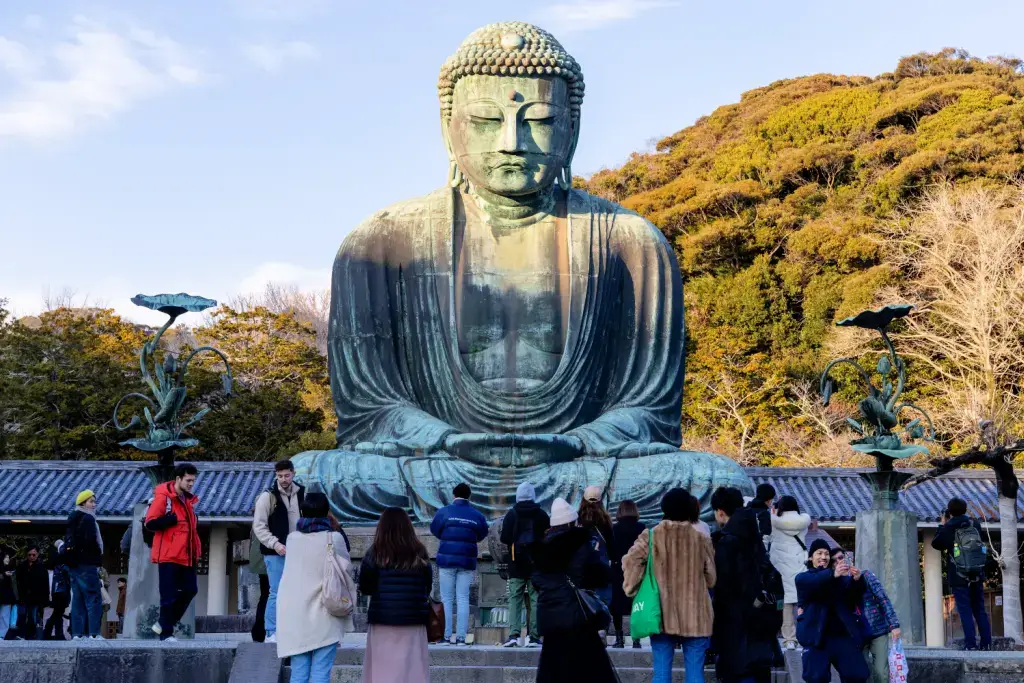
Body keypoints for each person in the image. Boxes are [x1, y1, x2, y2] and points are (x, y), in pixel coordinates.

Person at [623, 489, 716, 683]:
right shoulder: (702, 539)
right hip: (696, 613)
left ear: (664, 508)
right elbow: (711, 578)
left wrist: (631, 587)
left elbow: (630, 561)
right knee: (695, 674)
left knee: (662, 673)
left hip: (661, 611)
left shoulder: (650, 536)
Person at [532, 497, 620, 683]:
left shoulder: (541, 548)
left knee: (554, 671)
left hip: (550, 618)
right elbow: (597, 575)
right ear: (572, 521)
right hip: (577, 615)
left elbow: (536, 581)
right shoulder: (581, 542)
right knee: (587, 670)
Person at [276, 492, 353, 683]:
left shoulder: (292, 539)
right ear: (327, 512)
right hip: (326, 612)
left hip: (295, 615)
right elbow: (346, 571)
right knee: (321, 673)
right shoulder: (334, 538)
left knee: (299, 673)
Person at [711, 486, 780, 683]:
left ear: (721, 512)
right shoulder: (753, 534)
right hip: (759, 621)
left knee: (738, 671)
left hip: (734, 623)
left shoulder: (727, 542)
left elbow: (724, 587)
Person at [359, 507, 433, 683]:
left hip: (383, 620)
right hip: (413, 620)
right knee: (413, 671)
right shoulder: (420, 552)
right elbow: (427, 586)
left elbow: (365, 587)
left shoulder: (374, 553)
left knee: (383, 672)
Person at [795, 542, 869, 683]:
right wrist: (832, 574)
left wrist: (857, 580)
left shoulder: (839, 579)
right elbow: (811, 582)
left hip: (842, 637)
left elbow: (854, 597)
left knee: (858, 675)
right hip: (816, 637)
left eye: (827, 554)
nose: (824, 557)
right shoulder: (804, 578)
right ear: (811, 557)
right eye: (819, 553)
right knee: (816, 678)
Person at [144, 463, 201, 642]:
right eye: (188, 480)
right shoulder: (164, 498)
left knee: (191, 589)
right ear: (178, 479)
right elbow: (150, 522)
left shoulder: (187, 501)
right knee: (168, 595)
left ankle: (163, 622)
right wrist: (169, 520)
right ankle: (166, 633)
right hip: (168, 553)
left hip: (187, 554)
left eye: (193, 480)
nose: (191, 484)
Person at [253, 459, 305, 644]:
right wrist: (275, 544)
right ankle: (271, 631)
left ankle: (294, 630)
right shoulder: (268, 497)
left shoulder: (302, 494)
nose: (283, 479)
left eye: (287, 475)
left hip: (298, 551)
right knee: (275, 592)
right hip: (275, 552)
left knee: (298, 593)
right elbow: (259, 526)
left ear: (293, 473)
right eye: (280, 476)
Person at [430, 482, 488, 645]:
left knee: (446, 599)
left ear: (454, 496)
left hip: (447, 560)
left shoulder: (444, 512)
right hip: (466, 560)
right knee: (463, 598)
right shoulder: (477, 515)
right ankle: (461, 637)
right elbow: (482, 534)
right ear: (469, 497)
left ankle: (446, 636)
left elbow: (435, 530)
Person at [931, 497, 991, 650]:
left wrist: (942, 524)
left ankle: (970, 644)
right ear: (965, 509)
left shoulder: (949, 526)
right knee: (979, 609)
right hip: (977, 572)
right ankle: (986, 643)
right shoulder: (974, 523)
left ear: (949, 511)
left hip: (959, 575)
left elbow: (936, 544)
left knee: (965, 610)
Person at [499, 482, 549, 648]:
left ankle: (513, 635)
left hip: (516, 563)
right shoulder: (541, 514)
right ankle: (534, 636)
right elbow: (547, 538)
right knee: (535, 599)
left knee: (515, 599)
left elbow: (504, 537)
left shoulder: (512, 514)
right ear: (533, 496)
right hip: (537, 563)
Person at [841, 548, 900, 683]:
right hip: (856, 633)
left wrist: (894, 625)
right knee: (862, 671)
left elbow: (883, 598)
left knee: (881, 672)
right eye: (837, 560)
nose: (842, 563)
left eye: (844, 559)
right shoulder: (837, 582)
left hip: (877, 629)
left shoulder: (866, 575)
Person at [769, 495, 811, 650]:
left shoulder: (774, 521)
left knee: (786, 602)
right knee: (801, 601)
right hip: (799, 563)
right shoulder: (803, 522)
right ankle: (805, 635)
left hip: (780, 566)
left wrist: (773, 513)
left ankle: (789, 639)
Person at [66, 489, 105, 639]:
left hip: (74, 564)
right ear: (83, 503)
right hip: (87, 563)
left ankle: (77, 634)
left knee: (77, 598)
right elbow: (91, 541)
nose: (94, 505)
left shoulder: (72, 518)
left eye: (94, 501)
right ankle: (94, 633)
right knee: (93, 597)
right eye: (91, 501)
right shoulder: (88, 518)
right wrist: (97, 559)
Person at [610, 499, 645, 648]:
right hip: (637, 570)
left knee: (617, 605)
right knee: (636, 604)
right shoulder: (641, 527)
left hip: (619, 570)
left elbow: (611, 551)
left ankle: (619, 638)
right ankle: (636, 639)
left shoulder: (614, 529)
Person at [578, 486, 614, 610]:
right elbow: (611, 546)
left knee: (584, 601)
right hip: (601, 566)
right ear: (600, 501)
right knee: (603, 601)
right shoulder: (606, 521)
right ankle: (602, 626)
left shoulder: (578, 520)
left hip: (583, 567)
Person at [15, 546, 50, 640]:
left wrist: (45, 599)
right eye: (29, 555)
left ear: (37, 555)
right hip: (23, 596)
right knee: (21, 615)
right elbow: (17, 580)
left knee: (32, 617)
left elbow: (45, 585)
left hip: (35, 597)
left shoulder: (41, 568)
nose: (31, 557)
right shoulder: (22, 566)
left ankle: (30, 635)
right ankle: (22, 634)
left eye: (34, 555)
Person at [44, 541, 71, 640]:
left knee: (58, 612)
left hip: (58, 589)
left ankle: (56, 633)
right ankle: (50, 631)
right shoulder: (62, 556)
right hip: (61, 589)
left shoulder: (57, 558)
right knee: (58, 612)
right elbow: (66, 570)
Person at [248, 527, 270, 643]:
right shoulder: (270, 513)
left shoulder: (258, 517)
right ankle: (261, 631)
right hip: (269, 558)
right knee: (270, 595)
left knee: (266, 595)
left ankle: (259, 632)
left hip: (261, 561)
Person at [0, 548, 16, 639]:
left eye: (8, 557)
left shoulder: (9, 569)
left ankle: (1, 636)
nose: (7, 559)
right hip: (4, 595)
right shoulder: (4, 570)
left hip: (6, 597)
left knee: (4, 616)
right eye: (6, 557)